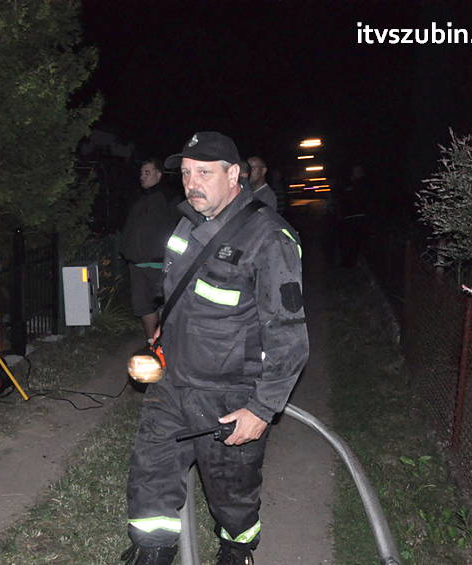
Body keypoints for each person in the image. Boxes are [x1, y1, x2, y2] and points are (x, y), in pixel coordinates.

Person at [123, 132, 309, 565]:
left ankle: (236, 549)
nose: (192, 183)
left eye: (203, 172)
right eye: (186, 173)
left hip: (228, 394)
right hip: (173, 382)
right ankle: (152, 551)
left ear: (233, 175)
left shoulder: (270, 237)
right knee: (152, 471)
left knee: (231, 489)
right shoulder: (187, 222)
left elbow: (289, 335)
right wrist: (161, 339)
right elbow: (175, 293)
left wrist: (262, 409)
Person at [120, 158, 181, 344]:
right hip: (137, 265)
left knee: (165, 307)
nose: (142, 176)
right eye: (141, 173)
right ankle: (152, 344)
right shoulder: (138, 199)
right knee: (144, 307)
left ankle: (168, 346)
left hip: (159, 264)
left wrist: (171, 258)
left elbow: (178, 230)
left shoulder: (170, 198)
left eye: (147, 172)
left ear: (158, 174)